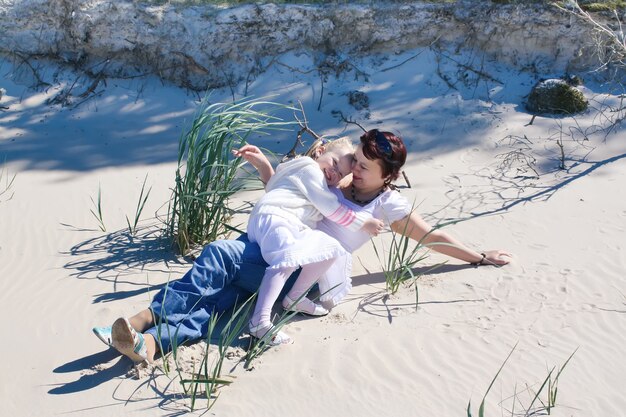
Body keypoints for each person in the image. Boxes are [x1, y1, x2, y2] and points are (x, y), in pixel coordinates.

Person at [93, 129, 511, 363]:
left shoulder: (387, 207)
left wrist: (478, 257)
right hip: (280, 252)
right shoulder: (339, 181)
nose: (354, 173)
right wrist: (266, 169)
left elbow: (431, 237)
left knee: (223, 256)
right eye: (356, 162)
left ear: (387, 177)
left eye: (366, 168)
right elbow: (291, 200)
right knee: (227, 295)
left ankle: (145, 317)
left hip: (303, 276)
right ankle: (149, 343)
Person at [233, 137, 384, 345]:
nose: (334, 173)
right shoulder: (309, 168)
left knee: (330, 248)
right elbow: (332, 209)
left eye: (340, 175)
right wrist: (363, 222)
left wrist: (263, 165)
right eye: (334, 164)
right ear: (320, 151)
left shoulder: (313, 179)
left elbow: (274, 184)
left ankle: (295, 297)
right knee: (287, 259)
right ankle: (260, 321)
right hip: (276, 216)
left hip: (288, 223)